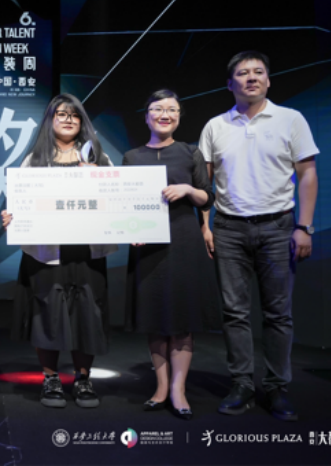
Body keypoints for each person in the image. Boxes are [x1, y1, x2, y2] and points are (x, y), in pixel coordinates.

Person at [199, 51, 319, 421]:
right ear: (229, 83)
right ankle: (242, 385)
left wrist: (304, 227)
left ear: (268, 79)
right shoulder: (215, 126)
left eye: (258, 72)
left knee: (278, 314)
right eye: (242, 73)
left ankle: (277, 387)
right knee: (234, 312)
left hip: (278, 227)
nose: (251, 77)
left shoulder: (290, 119)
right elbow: (204, 183)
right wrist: (205, 225)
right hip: (229, 228)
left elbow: (307, 174)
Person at [1, 93, 117, 408]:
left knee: (87, 314)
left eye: (74, 115)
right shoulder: (34, 159)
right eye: (61, 114)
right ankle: (50, 378)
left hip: (86, 251)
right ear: (50, 120)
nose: (68, 119)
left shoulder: (98, 157)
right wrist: (11, 217)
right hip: (46, 251)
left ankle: (83, 379)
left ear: (82, 122)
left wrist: (96, 178)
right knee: (47, 313)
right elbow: (18, 204)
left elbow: (115, 200)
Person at [123, 89, 221, 420]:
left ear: (178, 117)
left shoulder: (190, 152)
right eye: (158, 108)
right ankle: (161, 387)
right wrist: (130, 230)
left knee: (182, 318)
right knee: (155, 317)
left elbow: (207, 197)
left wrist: (189, 189)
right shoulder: (131, 157)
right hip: (147, 247)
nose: (165, 114)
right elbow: (123, 204)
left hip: (183, 242)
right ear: (146, 115)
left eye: (172, 110)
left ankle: (179, 390)